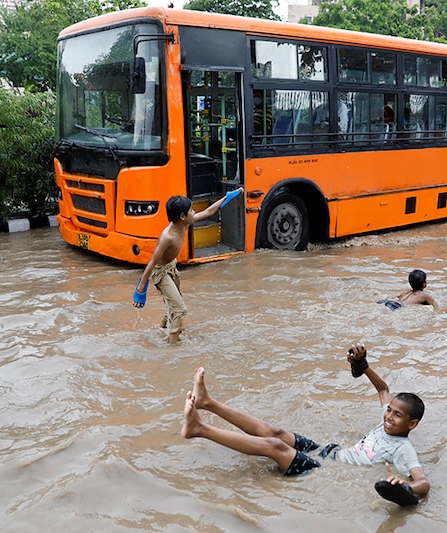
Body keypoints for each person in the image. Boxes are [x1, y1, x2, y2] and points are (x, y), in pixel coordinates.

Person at [180, 343, 430, 506]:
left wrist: (405, 486)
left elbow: (424, 484)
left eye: (397, 415)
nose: (388, 416)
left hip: (322, 468)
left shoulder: (403, 449)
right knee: (276, 432)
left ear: (413, 423)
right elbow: (384, 389)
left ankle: (199, 429)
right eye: (390, 410)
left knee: (274, 445)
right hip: (328, 452)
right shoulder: (387, 418)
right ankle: (207, 402)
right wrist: (363, 365)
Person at [132, 191, 242, 343]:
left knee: (173, 302)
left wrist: (227, 197)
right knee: (180, 308)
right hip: (160, 273)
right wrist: (140, 288)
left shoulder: (184, 223)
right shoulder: (167, 237)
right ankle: (172, 347)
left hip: (171, 266)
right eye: (191, 210)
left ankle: (161, 330)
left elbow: (208, 211)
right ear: (183, 216)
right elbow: (152, 262)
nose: (194, 212)